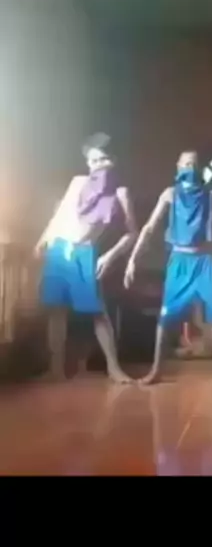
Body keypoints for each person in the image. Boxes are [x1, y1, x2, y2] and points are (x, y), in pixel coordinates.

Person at [34, 133, 137, 383]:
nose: (97, 165)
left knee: (98, 312)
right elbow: (60, 215)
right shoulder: (78, 182)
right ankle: (55, 369)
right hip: (59, 247)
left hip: (85, 252)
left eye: (103, 159)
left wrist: (109, 257)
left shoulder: (120, 193)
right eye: (92, 161)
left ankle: (114, 368)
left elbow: (132, 233)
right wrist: (42, 240)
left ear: (113, 160)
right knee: (56, 310)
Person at [124, 150, 212, 384]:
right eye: (185, 164)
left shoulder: (210, 195)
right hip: (179, 261)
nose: (189, 168)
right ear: (177, 167)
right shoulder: (170, 194)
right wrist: (133, 259)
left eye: (193, 164)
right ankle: (156, 370)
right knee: (166, 315)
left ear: (199, 168)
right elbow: (149, 227)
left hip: (204, 261)